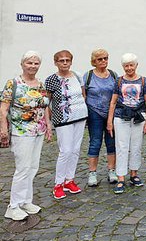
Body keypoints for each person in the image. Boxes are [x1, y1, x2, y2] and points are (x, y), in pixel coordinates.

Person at [0, 51, 52, 220]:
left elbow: (44, 106)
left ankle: (25, 201)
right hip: (21, 131)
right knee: (22, 169)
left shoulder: (40, 84)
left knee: (33, 167)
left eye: (36, 63)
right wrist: (3, 130)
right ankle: (13, 206)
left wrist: (49, 126)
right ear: (22, 64)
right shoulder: (13, 83)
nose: (33, 66)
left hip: (38, 130)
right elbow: (3, 109)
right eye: (29, 63)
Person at [45, 50, 88, 200]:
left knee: (75, 150)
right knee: (65, 150)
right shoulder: (51, 79)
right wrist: (48, 123)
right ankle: (58, 183)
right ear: (55, 62)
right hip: (62, 119)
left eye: (67, 60)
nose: (64, 63)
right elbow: (46, 102)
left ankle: (69, 180)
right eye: (61, 60)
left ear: (71, 61)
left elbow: (83, 95)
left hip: (80, 116)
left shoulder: (77, 76)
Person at [107, 53, 146, 194]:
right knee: (121, 146)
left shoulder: (143, 81)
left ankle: (134, 174)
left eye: (131, 65)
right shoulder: (119, 81)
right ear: (123, 67)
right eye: (126, 65)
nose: (129, 68)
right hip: (121, 117)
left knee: (136, 146)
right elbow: (113, 102)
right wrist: (109, 121)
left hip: (138, 117)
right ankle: (121, 177)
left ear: (136, 65)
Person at [83, 49, 118, 187]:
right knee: (95, 142)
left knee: (111, 142)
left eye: (105, 58)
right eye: (100, 59)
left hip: (111, 113)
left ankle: (111, 170)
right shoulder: (89, 76)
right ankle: (92, 172)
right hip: (94, 113)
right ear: (94, 61)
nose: (103, 61)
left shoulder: (113, 75)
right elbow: (84, 95)